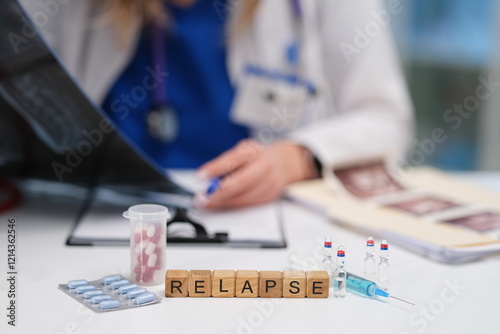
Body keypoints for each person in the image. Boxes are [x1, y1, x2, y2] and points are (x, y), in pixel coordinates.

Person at [20, 0, 414, 209]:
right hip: (88, 224)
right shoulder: (64, 7)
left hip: (257, 225)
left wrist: (296, 157)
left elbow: (385, 118)